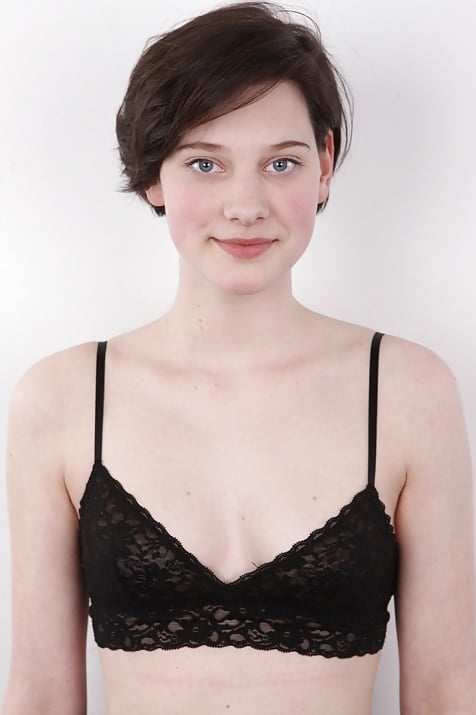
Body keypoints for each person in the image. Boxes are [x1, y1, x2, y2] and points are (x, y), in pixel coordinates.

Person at [3, 2, 475, 713]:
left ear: (324, 166)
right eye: (206, 163)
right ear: (154, 175)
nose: (246, 204)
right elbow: (40, 694)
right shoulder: (62, 399)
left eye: (281, 163)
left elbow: (445, 692)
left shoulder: (409, 391)